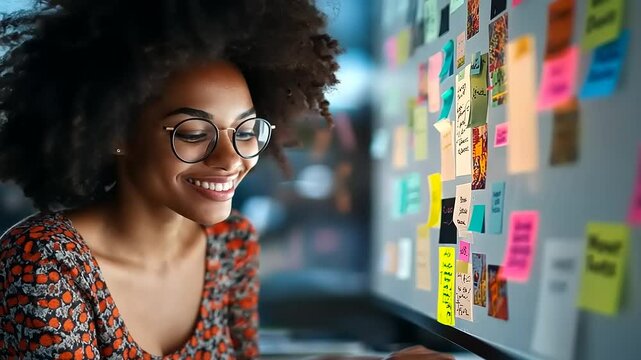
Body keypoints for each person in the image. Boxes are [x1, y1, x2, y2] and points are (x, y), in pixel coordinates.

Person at [0, 1, 453, 359]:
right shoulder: (42, 262)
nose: (231, 157)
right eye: (194, 134)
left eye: (246, 131)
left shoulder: (232, 242)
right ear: (117, 133)